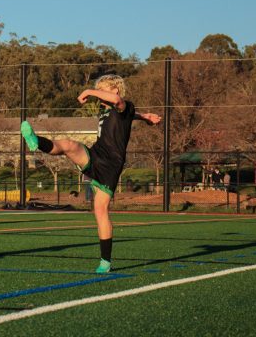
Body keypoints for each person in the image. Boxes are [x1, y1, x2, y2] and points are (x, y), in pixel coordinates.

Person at [21, 74, 161, 273]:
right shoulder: (109, 110)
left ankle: (105, 261)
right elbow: (125, 112)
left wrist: (89, 91)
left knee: (100, 210)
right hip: (96, 154)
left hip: (111, 164)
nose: (100, 95)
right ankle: (36, 142)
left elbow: (119, 104)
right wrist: (145, 116)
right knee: (69, 145)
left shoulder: (124, 105)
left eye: (104, 91)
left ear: (115, 90)